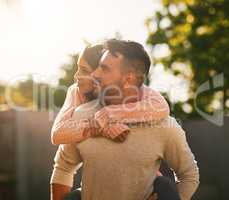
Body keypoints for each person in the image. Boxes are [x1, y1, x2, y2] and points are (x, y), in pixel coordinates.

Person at [50, 39, 199, 200]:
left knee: (164, 184)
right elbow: (61, 156)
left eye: (104, 69)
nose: (94, 74)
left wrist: (110, 114)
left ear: (129, 79)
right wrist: (100, 126)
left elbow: (189, 175)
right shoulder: (78, 104)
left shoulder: (161, 120)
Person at [51, 44, 170, 145]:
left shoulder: (132, 88)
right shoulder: (75, 91)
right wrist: (101, 127)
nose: (76, 76)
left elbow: (161, 107)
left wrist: (110, 113)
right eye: (78, 68)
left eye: (84, 70)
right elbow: (57, 134)